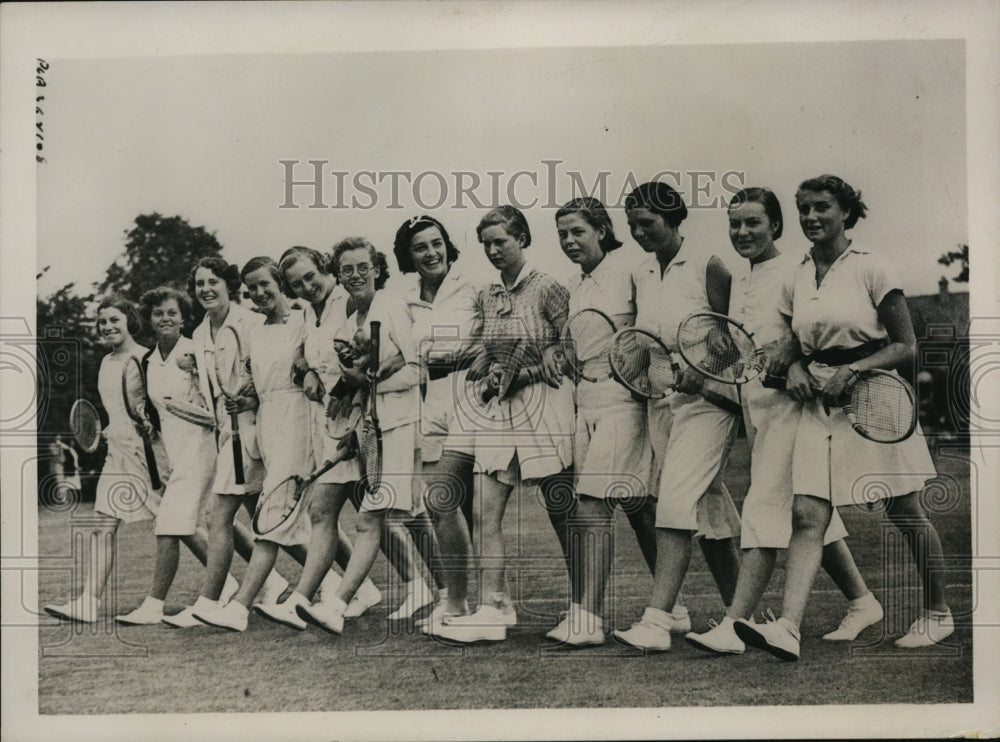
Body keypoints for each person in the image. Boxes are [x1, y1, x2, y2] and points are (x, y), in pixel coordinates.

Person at [734, 175, 953, 660]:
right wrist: (791, 367)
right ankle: (788, 628)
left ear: (845, 212)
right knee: (807, 515)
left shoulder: (873, 267)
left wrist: (852, 370)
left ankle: (939, 612)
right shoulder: (798, 271)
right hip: (819, 406)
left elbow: (905, 344)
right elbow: (792, 338)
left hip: (875, 399)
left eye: (822, 208)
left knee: (904, 511)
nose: (812, 218)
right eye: (805, 210)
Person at [684, 187, 882, 655]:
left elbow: (800, 336)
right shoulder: (739, 280)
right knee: (809, 518)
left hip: (797, 409)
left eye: (754, 222)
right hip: (758, 412)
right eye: (735, 224)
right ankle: (862, 600)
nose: (743, 232)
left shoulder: (795, 271)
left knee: (766, 507)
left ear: (776, 226)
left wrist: (790, 361)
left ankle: (735, 624)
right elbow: (743, 346)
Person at [435, 206, 576, 644]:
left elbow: (570, 351)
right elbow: (482, 349)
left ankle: (583, 607)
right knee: (483, 510)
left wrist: (526, 373)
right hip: (501, 409)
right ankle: (493, 607)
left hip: (546, 407)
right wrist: (490, 369)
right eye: (487, 244)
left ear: (523, 239)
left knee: (562, 512)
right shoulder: (488, 293)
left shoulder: (550, 287)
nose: (494, 250)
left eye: (502, 241)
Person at [613, 182, 743, 653]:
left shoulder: (709, 265)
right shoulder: (642, 272)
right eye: (632, 226)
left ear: (674, 219)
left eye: (646, 224)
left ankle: (656, 620)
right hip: (663, 405)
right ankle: (742, 618)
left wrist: (701, 367)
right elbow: (648, 340)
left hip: (710, 401)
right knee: (708, 511)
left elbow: (737, 337)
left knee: (673, 502)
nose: (638, 233)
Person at [286, 237, 425, 635]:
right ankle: (441, 594)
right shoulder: (353, 322)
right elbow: (356, 379)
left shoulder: (392, 306)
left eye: (363, 267)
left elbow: (418, 367)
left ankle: (338, 602)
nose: (355, 275)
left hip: (400, 424)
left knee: (374, 519)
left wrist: (374, 380)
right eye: (347, 269)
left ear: (378, 269)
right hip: (372, 427)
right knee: (394, 517)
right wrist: (357, 409)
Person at [543, 197, 658, 646]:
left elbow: (650, 332)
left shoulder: (633, 270)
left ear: (603, 230)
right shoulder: (572, 286)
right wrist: (556, 351)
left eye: (578, 232)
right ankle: (678, 610)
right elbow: (572, 342)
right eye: (563, 235)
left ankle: (587, 619)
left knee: (592, 508)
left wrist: (640, 378)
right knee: (640, 507)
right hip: (583, 404)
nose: (570, 241)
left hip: (624, 403)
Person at [163, 258, 289, 628]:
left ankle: (208, 602)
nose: (205, 289)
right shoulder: (200, 334)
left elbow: (264, 375)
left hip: (257, 431)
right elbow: (212, 393)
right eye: (199, 283)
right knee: (274, 521)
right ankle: (336, 581)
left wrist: (248, 398)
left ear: (230, 285)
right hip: (228, 437)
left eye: (213, 281)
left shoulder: (250, 323)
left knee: (218, 517)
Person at [43, 296, 164, 623]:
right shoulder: (107, 362)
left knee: (182, 526)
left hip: (149, 455)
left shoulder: (147, 358)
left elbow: (158, 410)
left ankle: (241, 587)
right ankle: (88, 602)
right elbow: (117, 412)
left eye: (114, 320)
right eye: (102, 322)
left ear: (130, 321)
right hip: (117, 454)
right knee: (102, 524)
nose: (107, 327)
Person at [394, 215, 479, 632]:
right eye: (420, 247)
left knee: (453, 503)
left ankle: (471, 603)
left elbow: (491, 341)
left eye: (436, 243)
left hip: (474, 401)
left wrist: (457, 360)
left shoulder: (472, 286)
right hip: (429, 408)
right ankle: (458, 601)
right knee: (446, 506)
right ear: (408, 255)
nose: (431, 253)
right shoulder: (403, 297)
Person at [114, 287, 217, 625]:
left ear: (184, 317)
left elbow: (213, 408)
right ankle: (250, 583)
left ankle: (154, 605)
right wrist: (148, 425)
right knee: (212, 525)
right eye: (158, 314)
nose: (165, 319)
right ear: (150, 319)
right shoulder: (147, 360)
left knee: (168, 526)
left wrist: (198, 372)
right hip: (176, 455)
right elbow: (158, 411)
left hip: (203, 450)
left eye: (172, 312)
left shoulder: (198, 351)